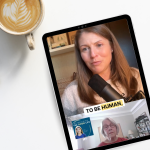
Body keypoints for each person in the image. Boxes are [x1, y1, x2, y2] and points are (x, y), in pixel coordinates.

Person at [61, 24, 144, 117]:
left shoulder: (136, 76)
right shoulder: (71, 92)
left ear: (111, 47)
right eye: (85, 49)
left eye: (99, 45)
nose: (93, 54)